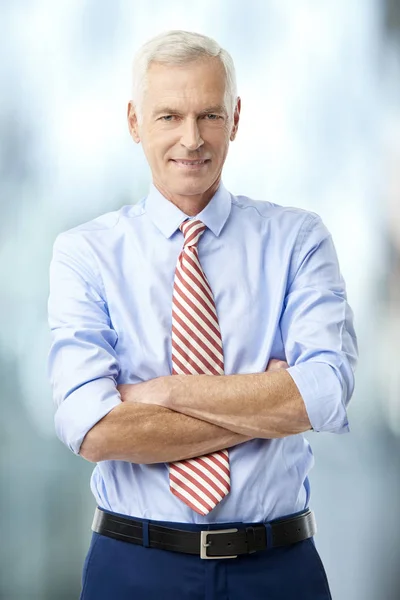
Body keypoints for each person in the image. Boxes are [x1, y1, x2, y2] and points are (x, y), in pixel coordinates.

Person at [47, 29, 358, 600]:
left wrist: (161, 392)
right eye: (169, 116)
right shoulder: (85, 253)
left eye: (208, 115)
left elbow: (326, 392)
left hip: (277, 567)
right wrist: (268, 397)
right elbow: (91, 427)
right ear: (135, 122)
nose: (191, 139)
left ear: (235, 118)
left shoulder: (298, 241)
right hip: (134, 567)